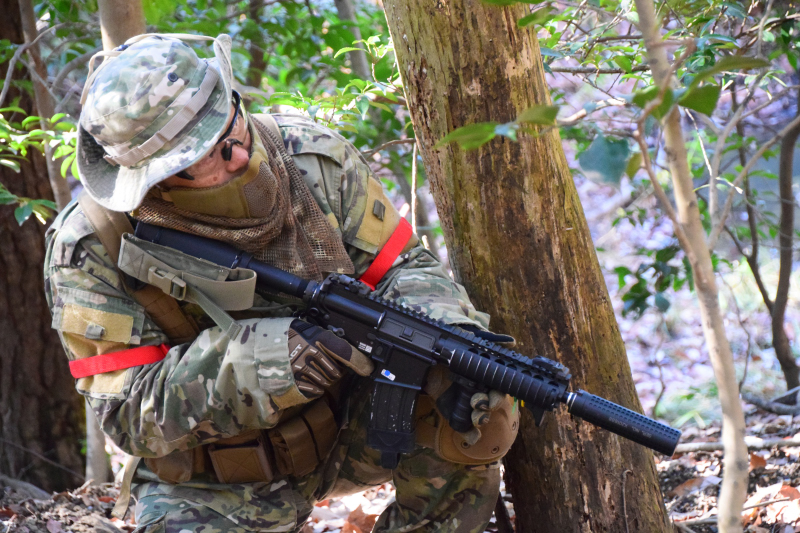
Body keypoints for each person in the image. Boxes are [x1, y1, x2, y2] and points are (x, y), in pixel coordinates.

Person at [44, 33, 518, 533]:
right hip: (217, 478)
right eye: (210, 154)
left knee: (477, 403)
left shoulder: (311, 160)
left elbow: (405, 269)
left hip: (356, 425)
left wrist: (449, 334)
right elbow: (127, 412)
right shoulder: (94, 244)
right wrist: (268, 363)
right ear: (157, 178)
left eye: (232, 123)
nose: (240, 155)